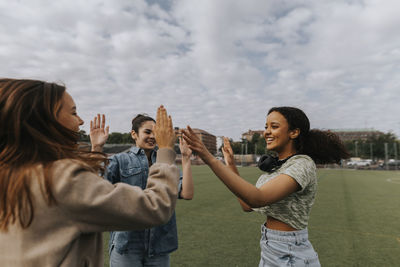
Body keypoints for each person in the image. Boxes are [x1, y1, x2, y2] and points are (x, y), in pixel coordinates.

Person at [0, 78, 180, 267]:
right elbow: (155, 207)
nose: (81, 120)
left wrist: (96, 149)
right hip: (128, 246)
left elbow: (89, 190)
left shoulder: (12, 173)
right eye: (73, 112)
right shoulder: (62, 178)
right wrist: (167, 149)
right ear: (44, 119)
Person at [182, 106, 349, 267]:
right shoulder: (277, 168)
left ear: (294, 132)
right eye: (266, 126)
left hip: (289, 253)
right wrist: (230, 164)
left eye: (274, 126)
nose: (266, 132)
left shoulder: (302, 164)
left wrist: (208, 157)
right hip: (272, 248)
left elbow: (257, 199)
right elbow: (247, 205)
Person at [90, 114, 194, 267]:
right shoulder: (120, 160)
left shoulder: (165, 162)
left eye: (155, 133)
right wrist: (96, 149)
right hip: (126, 246)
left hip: (159, 247)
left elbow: (187, 193)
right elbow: (95, 187)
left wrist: (185, 159)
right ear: (134, 134)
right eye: (147, 132)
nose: (152, 136)